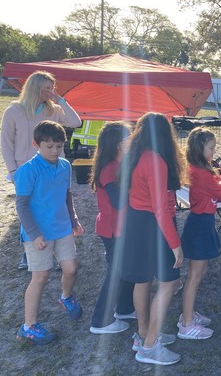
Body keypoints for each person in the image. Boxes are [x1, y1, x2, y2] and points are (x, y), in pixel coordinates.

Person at [119, 112, 184, 366]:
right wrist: (175, 244)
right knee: (170, 282)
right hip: (152, 224)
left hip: (138, 222)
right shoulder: (156, 161)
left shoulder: (135, 155)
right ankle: (149, 346)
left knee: (143, 279)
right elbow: (160, 209)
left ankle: (145, 334)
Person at [1, 71, 81, 270]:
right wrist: (12, 170)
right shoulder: (14, 110)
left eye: (52, 87)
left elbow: (76, 122)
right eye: (46, 88)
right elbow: (6, 142)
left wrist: (61, 100)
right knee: (27, 207)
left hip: (53, 168)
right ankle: (29, 253)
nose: (50, 91)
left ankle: (56, 250)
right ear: (34, 87)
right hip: (24, 169)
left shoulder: (53, 110)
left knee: (52, 205)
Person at [14, 120, 84, 345]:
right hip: (38, 234)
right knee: (41, 277)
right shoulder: (28, 170)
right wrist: (34, 235)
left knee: (71, 268)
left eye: (59, 146)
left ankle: (65, 297)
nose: (55, 151)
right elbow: (22, 205)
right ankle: (29, 326)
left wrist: (74, 220)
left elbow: (67, 195)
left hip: (62, 228)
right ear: (36, 144)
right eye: (49, 146)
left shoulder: (65, 165)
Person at [178, 127, 221, 340]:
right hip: (199, 224)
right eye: (211, 148)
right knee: (194, 276)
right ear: (199, 149)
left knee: (200, 272)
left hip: (203, 222)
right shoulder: (199, 171)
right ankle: (186, 325)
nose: (214, 152)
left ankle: (188, 315)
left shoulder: (201, 168)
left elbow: (216, 187)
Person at [89, 122, 136, 335]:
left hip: (120, 228)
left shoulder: (118, 162)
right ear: (119, 144)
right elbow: (118, 201)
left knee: (125, 270)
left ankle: (125, 309)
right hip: (112, 230)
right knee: (115, 274)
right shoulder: (110, 168)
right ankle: (100, 321)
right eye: (129, 138)